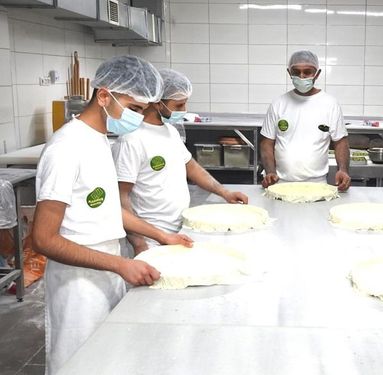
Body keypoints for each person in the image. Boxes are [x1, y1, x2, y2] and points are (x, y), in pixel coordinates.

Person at [31, 56, 179, 374]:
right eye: (134, 108)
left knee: (108, 360)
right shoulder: (65, 148)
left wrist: (162, 235)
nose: (138, 118)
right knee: (79, 364)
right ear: (103, 95)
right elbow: (43, 239)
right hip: (78, 285)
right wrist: (120, 264)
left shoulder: (98, 140)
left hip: (109, 269)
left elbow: (109, 208)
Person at [112, 68, 248, 254]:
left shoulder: (170, 131)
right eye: (178, 106)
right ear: (157, 103)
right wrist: (138, 243)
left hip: (179, 229)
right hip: (152, 239)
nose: (184, 111)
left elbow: (191, 167)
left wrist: (224, 192)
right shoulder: (132, 139)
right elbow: (120, 197)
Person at [260, 50, 351, 191]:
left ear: (317, 74)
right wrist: (270, 172)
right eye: (296, 72)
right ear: (289, 73)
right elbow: (267, 143)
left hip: (318, 185)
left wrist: (343, 170)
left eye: (307, 72)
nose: (301, 77)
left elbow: (340, 142)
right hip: (280, 184)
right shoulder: (278, 104)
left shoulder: (330, 104)